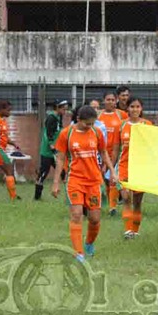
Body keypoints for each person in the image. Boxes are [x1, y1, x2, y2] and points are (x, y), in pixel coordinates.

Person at [52, 105, 117, 261]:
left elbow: (103, 152)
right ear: (78, 120)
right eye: (87, 123)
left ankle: (89, 243)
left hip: (94, 181)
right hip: (75, 180)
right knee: (76, 215)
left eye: (92, 123)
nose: (90, 126)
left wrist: (112, 172)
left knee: (94, 219)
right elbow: (60, 158)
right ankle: (79, 253)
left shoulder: (97, 132)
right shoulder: (66, 134)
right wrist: (56, 182)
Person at [115, 97, 153, 239]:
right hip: (124, 166)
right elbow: (115, 149)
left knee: (137, 202)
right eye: (132, 106)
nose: (135, 109)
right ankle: (128, 231)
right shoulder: (121, 125)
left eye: (137, 107)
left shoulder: (147, 125)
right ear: (127, 109)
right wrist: (111, 168)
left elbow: (153, 146)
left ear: (141, 109)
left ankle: (135, 231)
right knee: (125, 198)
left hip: (141, 168)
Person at [98, 91, 128, 215]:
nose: (110, 102)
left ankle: (113, 208)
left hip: (117, 153)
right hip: (100, 154)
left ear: (116, 101)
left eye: (112, 99)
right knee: (103, 180)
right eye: (108, 99)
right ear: (104, 101)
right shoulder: (99, 115)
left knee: (113, 180)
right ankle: (109, 202)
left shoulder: (122, 115)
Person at [35, 99, 70, 201]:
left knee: (63, 171)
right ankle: (37, 197)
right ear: (57, 107)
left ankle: (70, 195)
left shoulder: (58, 117)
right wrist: (52, 146)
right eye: (64, 108)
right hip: (48, 151)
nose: (65, 111)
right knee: (43, 173)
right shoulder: (51, 117)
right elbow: (49, 133)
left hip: (57, 149)